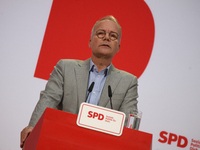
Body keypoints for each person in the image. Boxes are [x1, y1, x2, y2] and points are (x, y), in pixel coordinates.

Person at [20, 15, 138, 148]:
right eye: (100, 33)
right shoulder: (65, 68)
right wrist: (34, 128)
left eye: (113, 36)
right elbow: (49, 99)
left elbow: (128, 125)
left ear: (118, 47)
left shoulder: (128, 82)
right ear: (90, 41)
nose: (106, 38)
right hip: (61, 142)